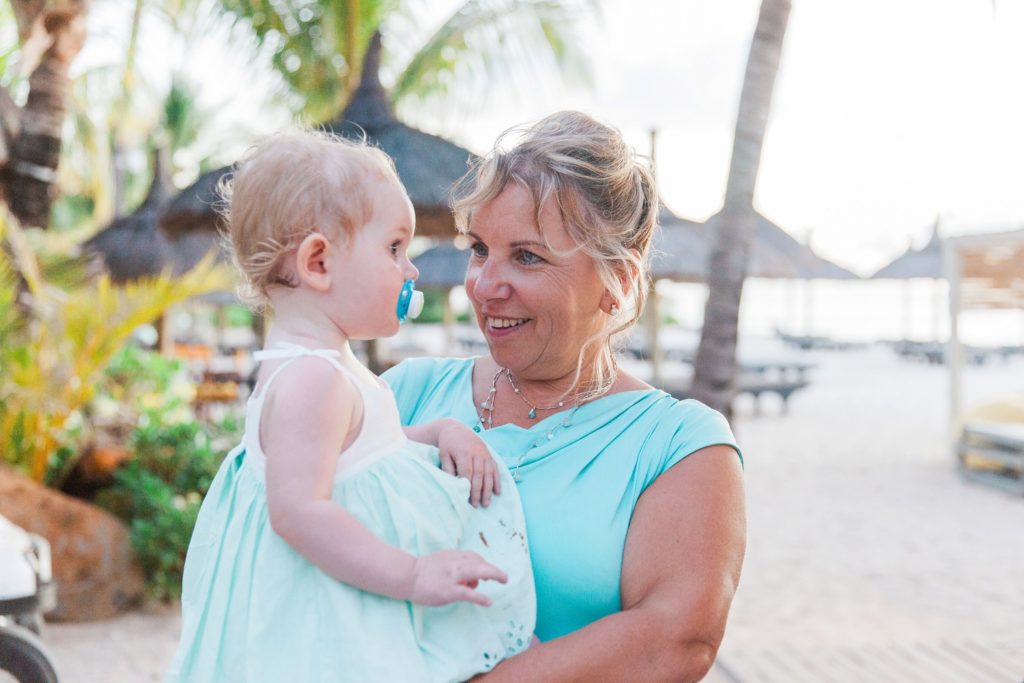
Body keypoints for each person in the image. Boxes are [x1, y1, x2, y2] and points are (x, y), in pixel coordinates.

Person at [381, 111, 746, 682]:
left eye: (527, 256)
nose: (484, 284)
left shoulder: (680, 446)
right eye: (479, 248)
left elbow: (676, 638)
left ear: (617, 280)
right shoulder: (406, 394)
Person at [166, 130, 535, 683]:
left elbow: (355, 459)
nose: (410, 270)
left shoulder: (319, 364)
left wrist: (435, 433)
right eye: (393, 248)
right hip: (328, 634)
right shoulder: (313, 378)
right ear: (318, 262)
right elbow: (300, 511)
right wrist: (412, 575)